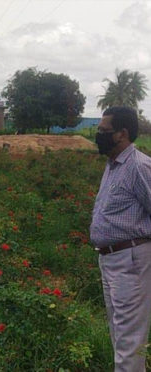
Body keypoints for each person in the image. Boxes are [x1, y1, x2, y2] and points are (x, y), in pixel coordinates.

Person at [90, 106, 151, 372]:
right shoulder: (113, 165)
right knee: (119, 335)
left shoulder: (138, 167)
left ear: (122, 134)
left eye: (104, 131)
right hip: (110, 259)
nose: (98, 135)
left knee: (129, 341)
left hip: (131, 260)